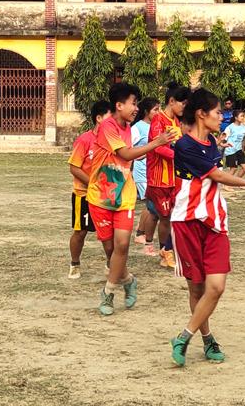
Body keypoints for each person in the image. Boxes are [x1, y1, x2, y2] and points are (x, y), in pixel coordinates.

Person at [169, 89, 245, 367]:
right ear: (201, 114)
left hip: (215, 221)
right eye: (217, 113)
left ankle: (183, 337)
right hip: (186, 221)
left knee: (217, 286)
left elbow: (215, 177)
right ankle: (208, 338)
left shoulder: (212, 142)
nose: (221, 117)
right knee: (197, 289)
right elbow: (215, 175)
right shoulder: (185, 146)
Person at [87, 83, 172, 316]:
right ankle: (129, 280)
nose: (136, 108)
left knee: (122, 246)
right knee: (111, 251)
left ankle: (109, 293)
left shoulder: (128, 127)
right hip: (100, 196)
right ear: (119, 105)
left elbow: (127, 159)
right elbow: (124, 154)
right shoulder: (108, 126)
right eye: (133, 103)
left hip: (124, 195)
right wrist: (156, 143)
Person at [67, 101, 113, 279]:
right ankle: (75, 263)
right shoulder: (84, 140)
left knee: (109, 234)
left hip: (106, 195)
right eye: (110, 119)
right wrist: (94, 184)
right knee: (81, 232)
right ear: (99, 118)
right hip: (84, 194)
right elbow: (74, 168)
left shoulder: (113, 141)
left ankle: (111, 264)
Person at [147, 83, 189, 270]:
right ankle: (165, 250)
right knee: (165, 217)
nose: (184, 108)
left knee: (175, 215)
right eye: (183, 103)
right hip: (159, 177)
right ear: (171, 101)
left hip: (174, 176)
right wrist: (179, 154)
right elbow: (158, 146)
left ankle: (168, 250)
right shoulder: (158, 120)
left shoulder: (176, 122)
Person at [131, 97, 162, 255]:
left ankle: (140, 232)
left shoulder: (157, 126)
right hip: (142, 172)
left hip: (153, 172)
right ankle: (141, 234)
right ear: (146, 112)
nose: (159, 112)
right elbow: (128, 150)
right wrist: (143, 154)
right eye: (155, 110)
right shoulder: (137, 127)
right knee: (152, 208)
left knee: (149, 206)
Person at [223, 111, 245, 178]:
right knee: (233, 169)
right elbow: (223, 137)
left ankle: (237, 182)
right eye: (241, 116)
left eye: (243, 116)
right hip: (230, 150)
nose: (243, 118)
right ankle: (226, 185)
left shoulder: (243, 127)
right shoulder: (230, 127)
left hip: (238, 150)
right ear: (236, 118)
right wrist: (222, 144)